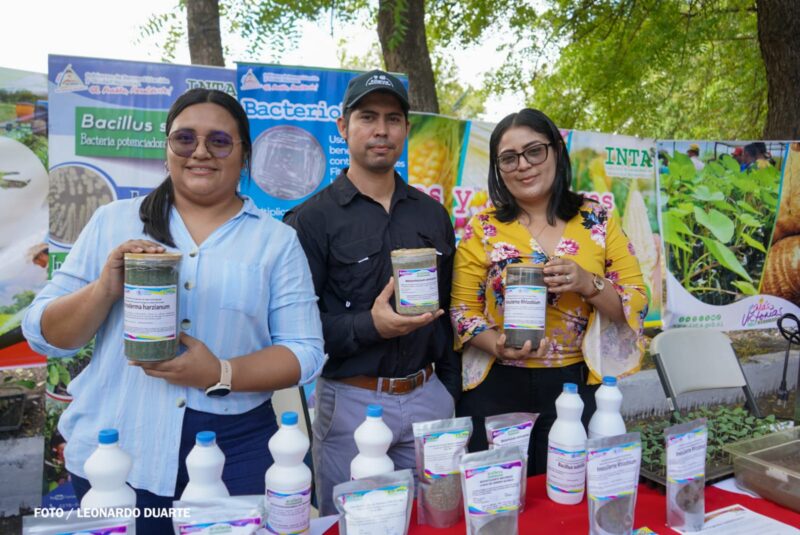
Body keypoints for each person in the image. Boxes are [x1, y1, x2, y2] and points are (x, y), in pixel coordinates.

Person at [23, 88, 324, 532]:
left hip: (235, 455)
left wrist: (220, 372)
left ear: (244, 155)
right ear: (167, 150)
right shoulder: (113, 221)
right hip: (117, 452)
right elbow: (44, 333)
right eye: (185, 139)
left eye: (219, 141)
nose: (200, 152)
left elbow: (305, 352)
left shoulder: (275, 242)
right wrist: (104, 289)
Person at [284, 69, 461, 515]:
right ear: (343, 127)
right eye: (367, 117)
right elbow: (299, 329)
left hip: (430, 397)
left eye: (393, 118)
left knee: (437, 520)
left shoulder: (432, 214)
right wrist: (370, 325)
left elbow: (450, 311)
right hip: (352, 404)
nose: (381, 130)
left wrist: (448, 393)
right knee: (358, 522)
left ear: (406, 129)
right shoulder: (311, 220)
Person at [450, 108, 647, 475]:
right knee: (497, 494)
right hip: (497, 386)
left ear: (557, 150)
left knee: (568, 492)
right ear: (498, 168)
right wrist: (496, 345)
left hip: (575, 385)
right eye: (509, 158)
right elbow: (462, 311)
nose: (523, 165)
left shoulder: (597, 220)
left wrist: (588, 283)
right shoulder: (483, 227)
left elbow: (636, 300)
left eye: (534, 151)